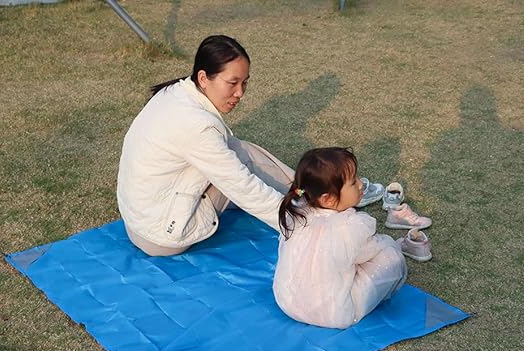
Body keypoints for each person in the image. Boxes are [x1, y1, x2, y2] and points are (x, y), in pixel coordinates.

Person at [117, 35, 294, 256]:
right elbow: (242, 186)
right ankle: (310, 195)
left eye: (245, 82)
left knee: (236, 150)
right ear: (203, 78)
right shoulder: (197, 125)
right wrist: (298, 223)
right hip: (161, 237)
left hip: (137, 223)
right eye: (232, 83)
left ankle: (306, 189)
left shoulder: (175, 92)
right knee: (240, 160)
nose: (240, 93)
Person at [273, 147, 407, 329]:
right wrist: (392, 245)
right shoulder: (349, 226)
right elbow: (372, 251)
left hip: (288, 303)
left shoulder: (298, 213)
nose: (361, 184)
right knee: (391, 257)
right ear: (328, 199)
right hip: (333, 314)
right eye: (353, 182)